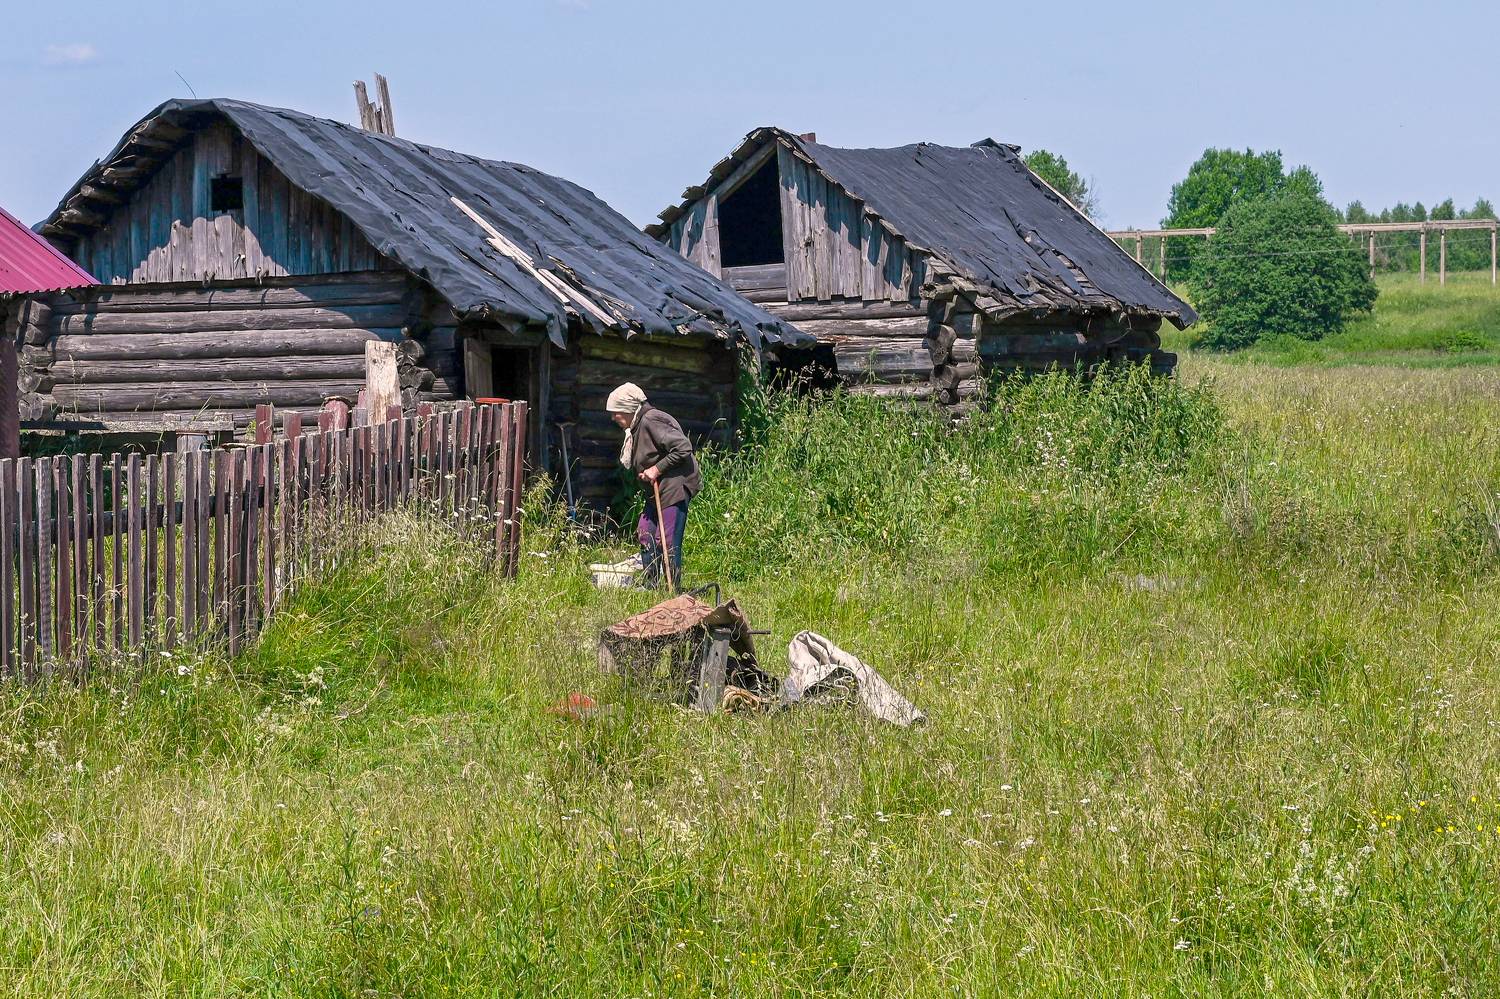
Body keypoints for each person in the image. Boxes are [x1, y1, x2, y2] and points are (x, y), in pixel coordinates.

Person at [606, 382, 700, 589]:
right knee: (645, 533)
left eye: (615, 412)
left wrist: (656, 469)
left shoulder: (651, 419)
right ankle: (652, 586)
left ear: (628, 409)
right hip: (656, 490)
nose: (613, 418)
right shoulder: (636, 425)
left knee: (666, 539)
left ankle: (672, 589)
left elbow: (683, 447)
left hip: (674, 486)